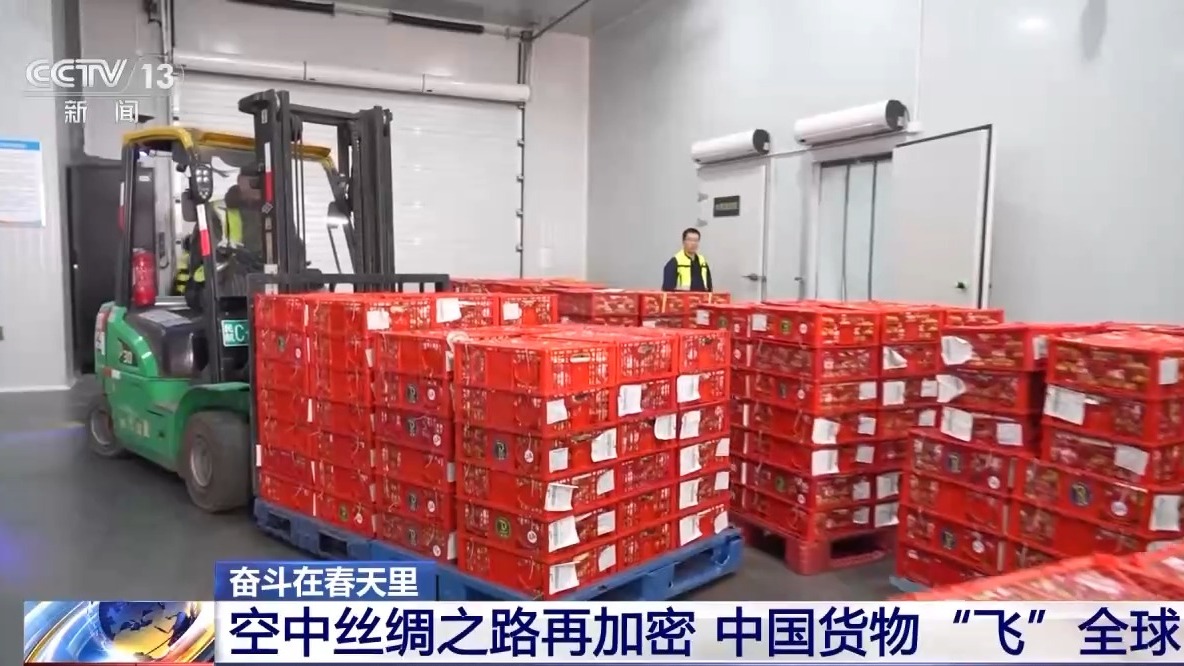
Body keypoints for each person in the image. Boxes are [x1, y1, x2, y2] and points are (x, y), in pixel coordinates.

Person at [175, 165, 265, 309]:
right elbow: (202, 261)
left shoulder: (275, 212)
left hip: (268, 292)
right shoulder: (215, 212)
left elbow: (294, 248)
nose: (259, 188)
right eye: (255, 182)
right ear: (240, 181)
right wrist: (232, 258)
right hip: (225, 297)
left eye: (262, 182)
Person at [662, 227, 713, 292]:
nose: (693, 243)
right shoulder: (675, 261)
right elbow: (667, 288)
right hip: (683, 297)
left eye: (696, 240)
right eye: (690, 240)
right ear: (683, 242)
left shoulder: (702, 261)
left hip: (702, 297)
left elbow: (709, 286)